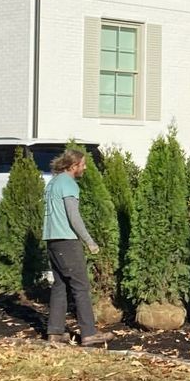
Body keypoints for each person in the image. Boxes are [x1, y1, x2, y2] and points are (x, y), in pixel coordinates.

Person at [42, 149, 114, 347]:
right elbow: (73, 217)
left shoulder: (53, 183)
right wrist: (89, 241)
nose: (85, 167)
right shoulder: (68, 184)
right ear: (73, 166)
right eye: (83, 164)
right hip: (67, 241)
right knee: (81, 287)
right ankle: (89, 333)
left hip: (52, 240)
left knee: (60, 285)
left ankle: (55, 332)